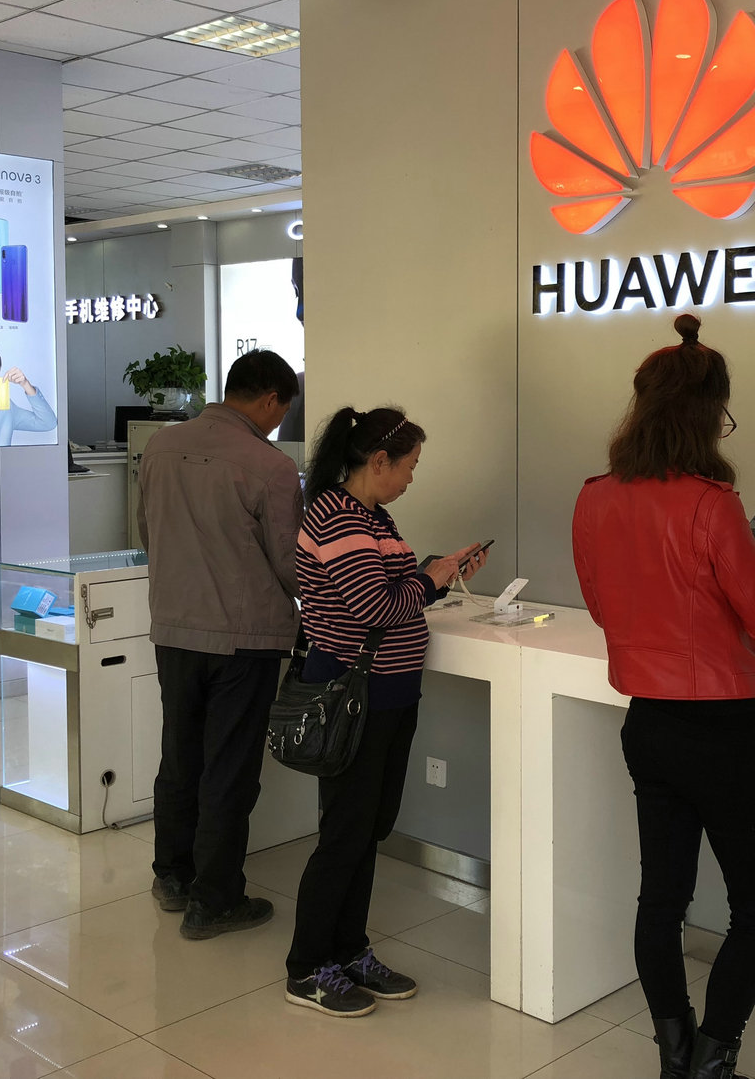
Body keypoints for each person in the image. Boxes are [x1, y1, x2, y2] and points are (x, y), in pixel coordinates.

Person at [571, 313, 755, 1079]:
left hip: (648, 725)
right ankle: (713, 1059)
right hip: (724, 730)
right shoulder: (712, 504)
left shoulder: (596, 497)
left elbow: (604, 608)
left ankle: (676, 1055)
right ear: (708, 412)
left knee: (661, 902)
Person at [284, 406, 488, 1017]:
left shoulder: (374, 516)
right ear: (379, 461)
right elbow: (375, 607)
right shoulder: (336, 516)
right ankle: (307, 967)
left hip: (390, 694)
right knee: (344, 833)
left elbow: (390, 591)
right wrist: (431, 580)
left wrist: (438, 574)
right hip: (354, 697)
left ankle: (349, 949)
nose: (411, 478)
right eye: (409, 466)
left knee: (369, 829)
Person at [137, 349, 302, 940]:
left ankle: (172, 877)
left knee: (180, 757)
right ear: (270, 400)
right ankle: (215, 900)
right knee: (229, 769)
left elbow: (147, 532)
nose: (278, 423)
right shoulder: (272, 467)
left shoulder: (159, 448)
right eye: (281, 411)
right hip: (243, 639)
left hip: (174, 628)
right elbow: (291, 564)